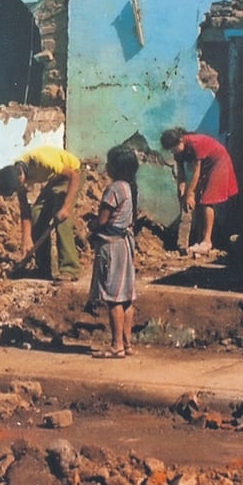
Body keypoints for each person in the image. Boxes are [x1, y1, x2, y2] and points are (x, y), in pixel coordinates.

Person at [0, 145, 83, 281]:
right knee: (36, 213)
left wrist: (66, 207)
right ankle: (44, 269)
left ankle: (70, 269)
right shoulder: (16, 174)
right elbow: (25, 211)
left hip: (73, 174)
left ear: (21, 179)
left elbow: (75, 176)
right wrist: (26, 239)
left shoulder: (42, 161)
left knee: (61, 217)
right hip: (55, 179)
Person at [86, 146, 139, 359]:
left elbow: (103, 220)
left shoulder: (114, 189)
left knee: (113, 297)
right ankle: (127, 343)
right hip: (126, 244)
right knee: (127, 297)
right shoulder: (131, 188)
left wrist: (91, 228)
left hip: (112, 246)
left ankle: (116, 345)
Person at [160, 127, 238, 254]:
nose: (173, 152)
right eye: (171, 150)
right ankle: (197, 239)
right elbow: (181, 173)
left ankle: (207, 241)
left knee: (207, 200)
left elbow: (196, 172)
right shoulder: (177, 151)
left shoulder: (195, 144)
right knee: (197, 201)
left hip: (218, 162)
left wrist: (189, 194)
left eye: (174, 148)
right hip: (206, 167)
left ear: (180, 141)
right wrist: (181, 189)